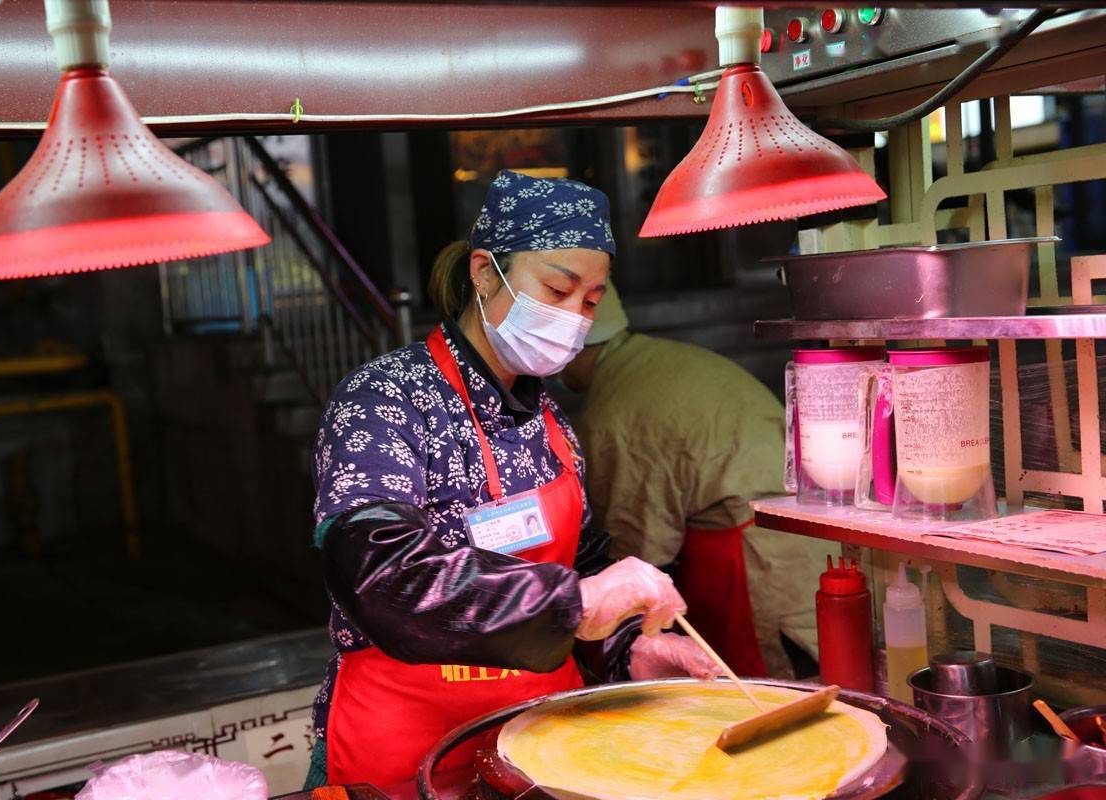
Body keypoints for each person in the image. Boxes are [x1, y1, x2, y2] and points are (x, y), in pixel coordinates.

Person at [307, 171, 721, 790]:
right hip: (403, 751)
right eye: (556, 288)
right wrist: (574, 604)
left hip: (545, 747)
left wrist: (629, 646)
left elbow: (581, 565)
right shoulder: (385, 400)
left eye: (590, 301)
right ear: (483, 271)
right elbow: (380, 575)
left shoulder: (552, 422)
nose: (573, 317)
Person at [560, 282, 837, 679]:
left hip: (759, 558)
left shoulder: (613, 411)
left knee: (773, 695)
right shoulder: (654, 359)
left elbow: (634, 549)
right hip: (795, 531)